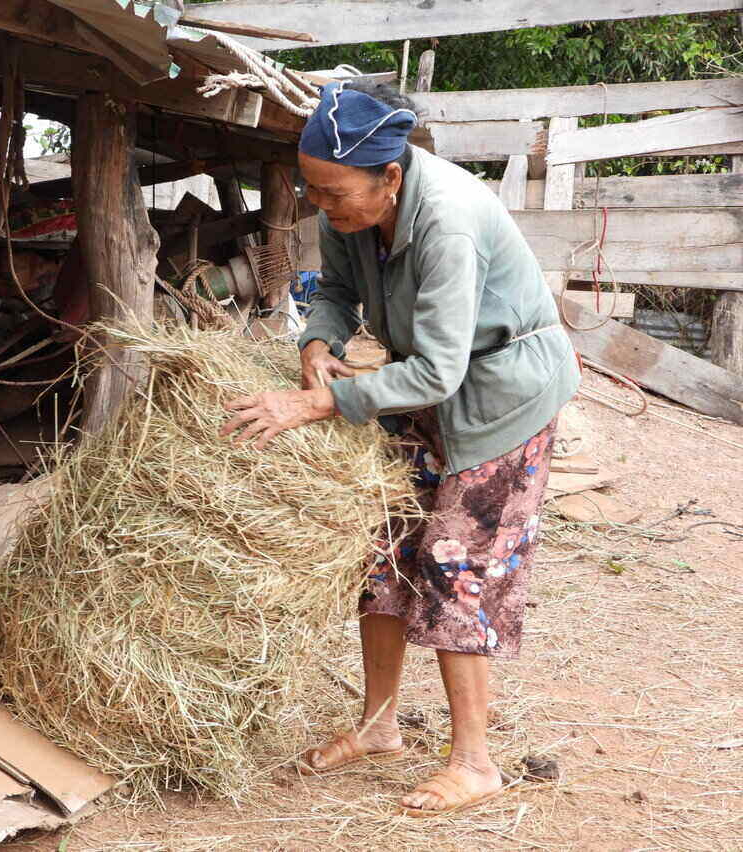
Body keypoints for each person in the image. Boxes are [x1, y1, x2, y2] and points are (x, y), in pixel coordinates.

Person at [220, 79, 580, 816]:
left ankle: (475, 762)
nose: (323, 206)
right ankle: (380, 725)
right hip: (429, 391)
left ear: (392, 175)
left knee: (456, 562)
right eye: (311, 190)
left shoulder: (446, 220)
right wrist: (317, 341)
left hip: (502, 396)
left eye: (335, 194)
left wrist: (322, 400)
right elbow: (334, 294)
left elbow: (442, 368)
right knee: (381, 546)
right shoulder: (351, 205)